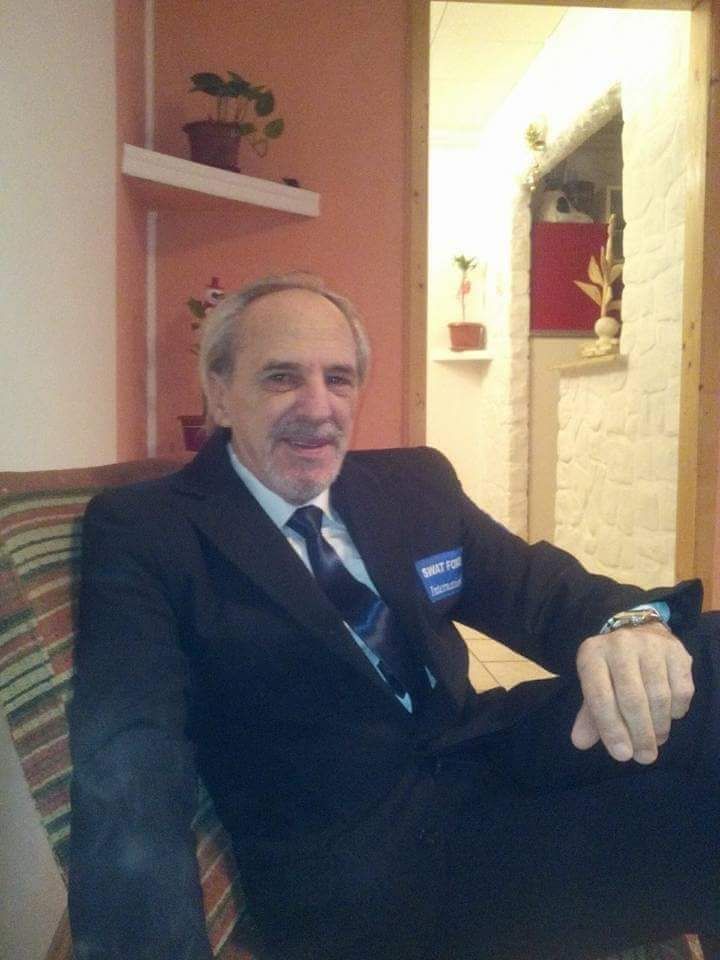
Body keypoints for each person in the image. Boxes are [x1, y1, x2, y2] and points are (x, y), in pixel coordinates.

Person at [68, 274, 720, 960]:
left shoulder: (413, 486)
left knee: (706, 647)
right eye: (282, 377)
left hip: (484, 752)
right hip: (369, 871)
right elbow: (130, 755)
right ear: (221, 391)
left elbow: (544, 592)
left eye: (339, 379)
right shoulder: (148, 528)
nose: (318, 407)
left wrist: (631, 626)